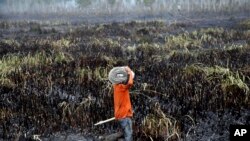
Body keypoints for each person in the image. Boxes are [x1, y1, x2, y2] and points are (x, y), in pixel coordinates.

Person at [113, 66, 134, 141]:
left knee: (123, 134)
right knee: (128, 136)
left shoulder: (116, 86)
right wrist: (129, 71)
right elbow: (130, 82)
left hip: (119, 115)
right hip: (124, 115)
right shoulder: (122, 87)